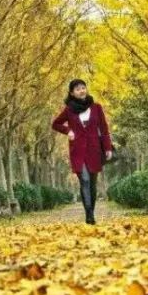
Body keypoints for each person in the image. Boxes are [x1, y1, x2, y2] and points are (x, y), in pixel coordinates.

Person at [50, 78, 113, 224]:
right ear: (72, 93)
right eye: (77, 89)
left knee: (92, 183)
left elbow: (104, 129)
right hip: (77, 151)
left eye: (83, 87)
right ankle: (89, 215)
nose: (81, 90)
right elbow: (56, 124)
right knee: (84, 180)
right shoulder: (69, 110)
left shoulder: (96, 108)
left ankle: (90, 211)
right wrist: (68, 131)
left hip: (94, 150)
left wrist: (108, 148)